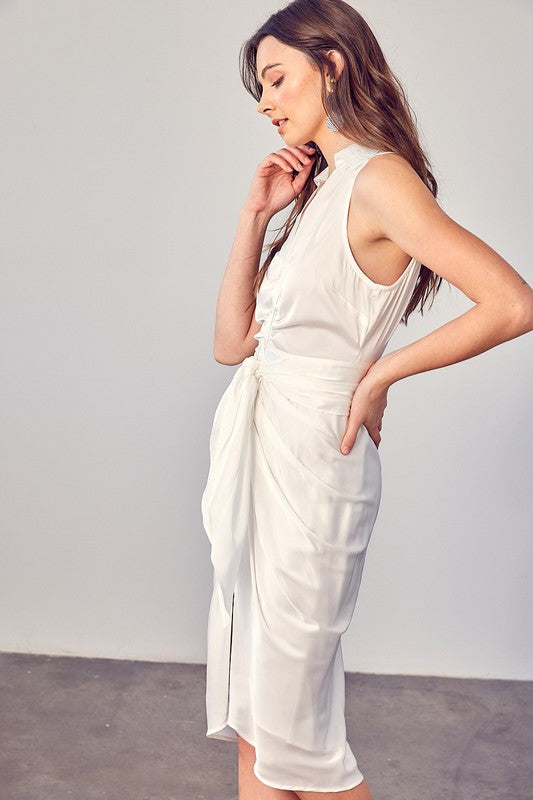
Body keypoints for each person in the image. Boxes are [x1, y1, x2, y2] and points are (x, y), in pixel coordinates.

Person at [200, 1, 533, 798]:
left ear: (334, 63)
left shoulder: (378, 179)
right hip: (264, 442)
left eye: (276, 77)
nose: (264, 101)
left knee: (297, 740)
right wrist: (254, 216)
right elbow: (228, 344)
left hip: (314, 460)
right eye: (260, 86)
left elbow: (510, 303)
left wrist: (379, 374)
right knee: (260, 723)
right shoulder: (318, 187)